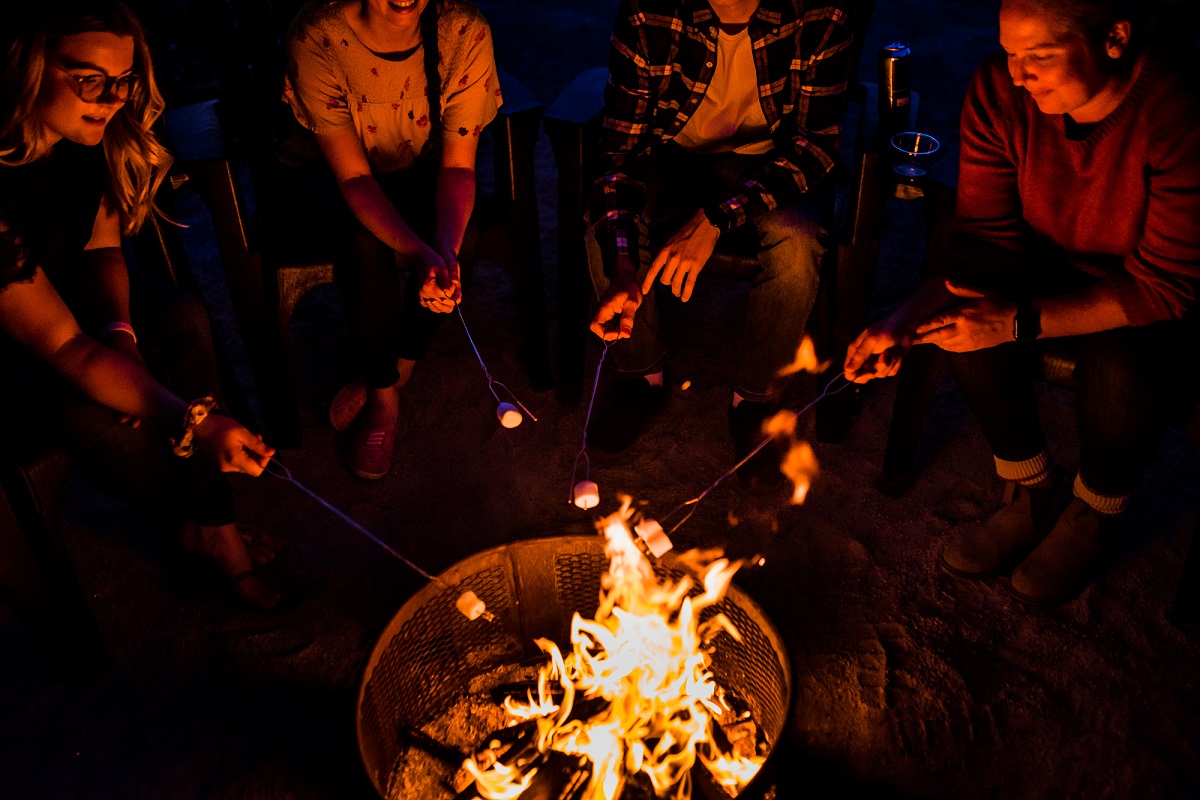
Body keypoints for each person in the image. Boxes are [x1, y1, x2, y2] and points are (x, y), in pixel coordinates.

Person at [844, 0, 1200, 604]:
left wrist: (1014, 323)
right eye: (1011, 53)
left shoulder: (1177, 113)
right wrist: (902, 322)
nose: (1017, 74)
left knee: (1120, 363)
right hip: (1049, 257)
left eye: (1040, 55)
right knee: (958, 313)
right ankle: (1032, 491)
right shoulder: (999, 93)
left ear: (1114, 37)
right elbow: (983, 242)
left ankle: (1092, 514)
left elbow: (1164, 286)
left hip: (1151, 290)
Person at [0, 1, 284, 609]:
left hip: (64, 308)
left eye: (123, 80)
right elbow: (59, 344)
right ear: (31, 65)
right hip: (14, 346)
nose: (111, 98)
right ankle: (202, 531)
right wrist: (193, 421)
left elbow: (102, 251)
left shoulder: (87, 133)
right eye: (88, 79)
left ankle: (214, 527)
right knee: (97, 413)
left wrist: (123, 341)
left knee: (178, 317)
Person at [584, 0, 853, 488]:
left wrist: (714, 220)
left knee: (797, 240)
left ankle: (755, 399)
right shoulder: (651, 13)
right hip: (672, 151)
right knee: (605, 221)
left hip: (772, 158)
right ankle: (640, 374)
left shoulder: (820, 14)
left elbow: (815, 146)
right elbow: (621, 151)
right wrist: (623, 265)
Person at [283, 0, 501, 479]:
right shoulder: (319, 37)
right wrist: (418, 252)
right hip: (337, 176)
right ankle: (384, 396)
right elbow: (355, 181)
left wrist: (440, 255)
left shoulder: (461, 32)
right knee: (365, 244)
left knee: (463, 233)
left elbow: (459, 165)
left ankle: (402, 361)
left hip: (418, 167)